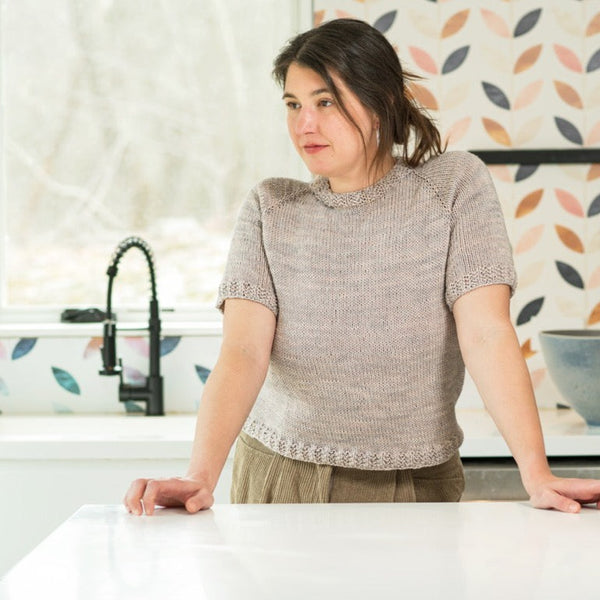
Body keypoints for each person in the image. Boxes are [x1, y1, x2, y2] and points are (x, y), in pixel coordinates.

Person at [124, 18, 600, 515]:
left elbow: (486, 334)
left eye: (325, 102)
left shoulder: (453, 188)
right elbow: (243, 351)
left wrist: (537, 474)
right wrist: (199, 476)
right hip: (281, 476)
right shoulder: (271, 208)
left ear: (381, 103)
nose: (304, 124)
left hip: (417, 480)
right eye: (293, 104)